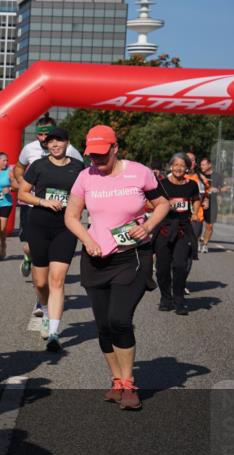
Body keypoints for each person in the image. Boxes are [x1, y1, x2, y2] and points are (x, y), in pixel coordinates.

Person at [65, 125, 169, 411]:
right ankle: (116, 380)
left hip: (132, 255)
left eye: (101, 155)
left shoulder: (139, 172)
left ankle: (128, 382)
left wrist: (147, 226)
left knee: (120, 319)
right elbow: (72, 216)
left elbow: (163, 204)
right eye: (91, 155)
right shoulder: (85, 177)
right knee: (103, 325)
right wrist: (86, 240)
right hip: (96, 257)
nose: (96, 161)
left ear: (115, 149)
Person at [17, 127, 85, 352]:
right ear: (46, 144)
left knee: (58, 280)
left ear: (67, 143)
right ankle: (45, 310)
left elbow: (87, 194)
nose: (55, 145)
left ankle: (54, 332)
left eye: (60, 141)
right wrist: (42, 202)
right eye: (51, 142)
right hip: (39, 226)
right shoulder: (38, 166)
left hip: (65, 228)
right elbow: (22, 193)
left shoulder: (78, 168)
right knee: (41, 282)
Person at [155, 153, 202, 315]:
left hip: (183, 229)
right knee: (162, 268)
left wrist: (195, 212)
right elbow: (150, 202)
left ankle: (179, 300)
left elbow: (196, 199)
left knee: (180, 266)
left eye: (182, 165)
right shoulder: (161, 184)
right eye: (176, 165)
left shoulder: (192, 185)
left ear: (187, 168)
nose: (178, 168)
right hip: (165, 228)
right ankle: (165, 299)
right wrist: (165, 205)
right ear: (170, 166)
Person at [199, 157, 226, 253]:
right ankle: (198, 240)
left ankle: (205, 244)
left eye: (203, 164)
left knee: (209, 226)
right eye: (201, 165)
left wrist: (217, 190)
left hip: (212, 203)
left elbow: (226, 188)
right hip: (199, 202)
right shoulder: (198, 175)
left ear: (209, 165)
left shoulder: (217, 176)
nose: (201, 166)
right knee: (197, 224)